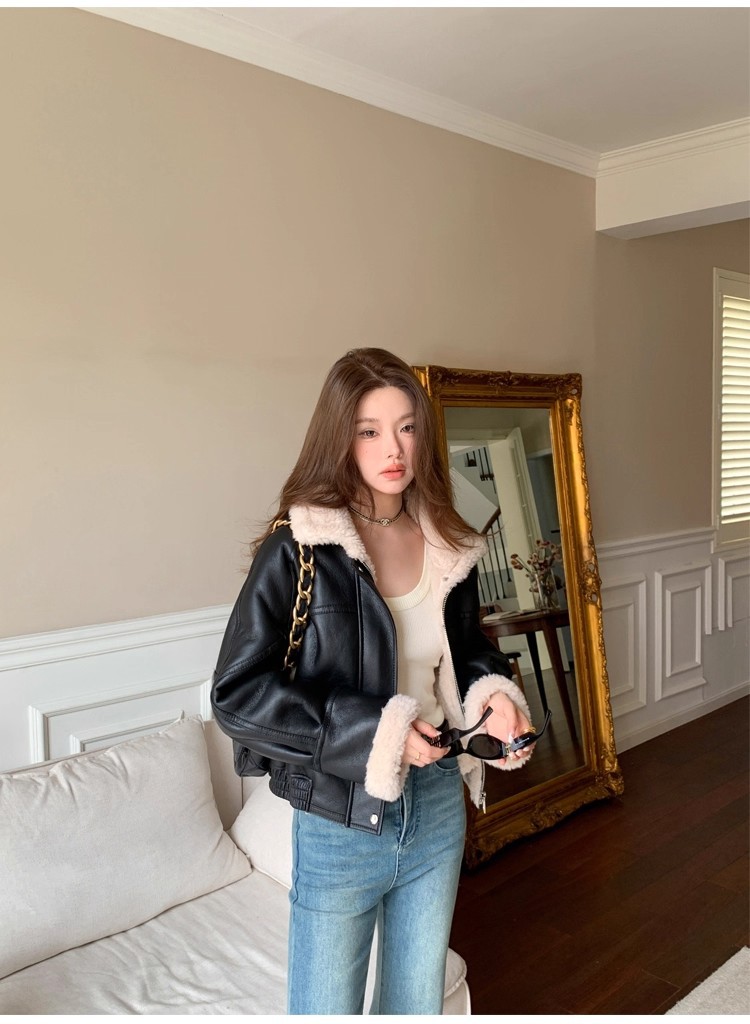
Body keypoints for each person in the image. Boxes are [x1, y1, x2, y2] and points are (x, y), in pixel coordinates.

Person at [211, 348, 536, 1015]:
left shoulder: (449, 541)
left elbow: (465, 650)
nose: (394, 448)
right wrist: (380, 734)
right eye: (369, 429)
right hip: (341, 817)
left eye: (407, 427)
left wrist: (496, 698)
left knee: (416, 1005)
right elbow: (237, 694)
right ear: (340, 436)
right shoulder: (300, 546)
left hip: (438, 803)